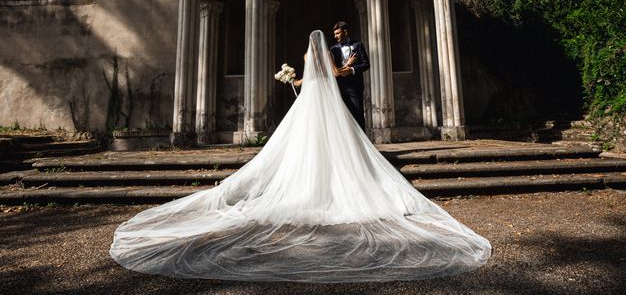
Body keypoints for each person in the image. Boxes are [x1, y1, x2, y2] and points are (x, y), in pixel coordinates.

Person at [110, 30, 491, 282]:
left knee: (299, 144)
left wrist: (293, 80)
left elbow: (313, 80)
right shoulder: (324, 60)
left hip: (312, 102)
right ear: (325, 46)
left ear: (309, 50)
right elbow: (325, 78)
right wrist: (299, 79)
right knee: (336, 141)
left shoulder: (312, 62)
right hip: (326, 102)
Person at [329, 21, 369, 131]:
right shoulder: (333, 49)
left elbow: (366, 64)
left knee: (358, 115)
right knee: (343, 117)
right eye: (335, 33)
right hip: (340, 87)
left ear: (345, 32)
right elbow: (333, 69)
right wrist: (347, 65)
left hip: (355, 87)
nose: (335, 36)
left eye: (338, 33)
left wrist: (352, 70)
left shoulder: (358, 45)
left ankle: (362, 146)